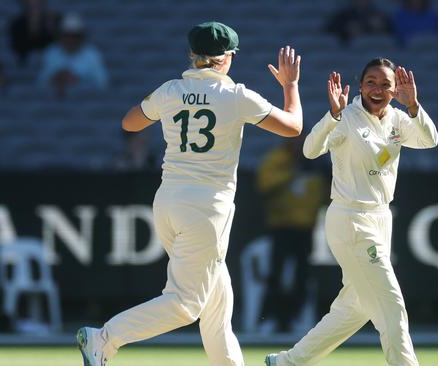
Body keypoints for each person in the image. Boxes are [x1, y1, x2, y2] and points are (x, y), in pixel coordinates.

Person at [76, 21, 303, 366]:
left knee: (216, 305)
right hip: (207, 209)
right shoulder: (236, 95)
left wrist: (169, 106)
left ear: (191, 56)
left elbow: (129, 123)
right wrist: (291, 85)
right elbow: (294, 127)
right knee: (186, 303)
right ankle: (105, 338)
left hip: (168, 202)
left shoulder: (170, 90)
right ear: (226, 58)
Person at [265, 58, 438, 366]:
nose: (378, 89)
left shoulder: (398, 120)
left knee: (354, 308)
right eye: (371, 82)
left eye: (386, 84)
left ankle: (286, 362)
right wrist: (333, 115)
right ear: (360, 86)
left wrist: (413, 107)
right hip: (350, 219)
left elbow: (429, 140)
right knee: (390, 302)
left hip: (381, 218)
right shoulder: (347, 118)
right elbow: (309, 149)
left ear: (395, 89)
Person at [256, 136, 326, 332]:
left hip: (305, 228)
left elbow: (321, 193)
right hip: (281, 226)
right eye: (294, 141)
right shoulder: (276, 160)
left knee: (302, 276)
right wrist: (290, 173)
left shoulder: (315, 163)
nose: (298, 145)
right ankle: (271, 318)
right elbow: (265, 185)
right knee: (275, 274)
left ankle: (295, 318)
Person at [38, 12, 108, 97]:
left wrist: (78, 81)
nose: (70, 39)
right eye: (66, 35)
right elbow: (40, 83)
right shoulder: (51, 53)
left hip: (85, 102)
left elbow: (102, 85)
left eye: (74, 35)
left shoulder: (92, 55)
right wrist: (56, 78)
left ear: (81, 36)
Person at [9, 0, 60, 66]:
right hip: (25, 64)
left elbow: (60, 47)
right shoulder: (17, 25)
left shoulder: (53, 21)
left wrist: (51, 29)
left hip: (51, 64)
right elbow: (18, 49)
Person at [325, 0, 390, 45]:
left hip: (374, 49)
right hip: (352, 49)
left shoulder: (377, 14)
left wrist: (380, 27)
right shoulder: (345, 15)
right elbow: (330, 28)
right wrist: (346, 30)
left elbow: (389, 29)